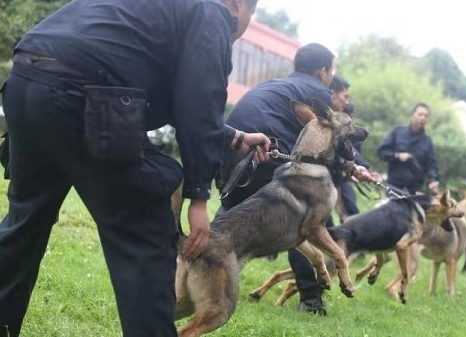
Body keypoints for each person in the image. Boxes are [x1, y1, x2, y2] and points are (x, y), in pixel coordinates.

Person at [0, 1, 271, 336]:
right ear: (239, 5)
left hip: (26, 82)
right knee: (145, 230)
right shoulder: (212, 11)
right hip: (80, 94)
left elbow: (174, 96)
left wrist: (231, 137)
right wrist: (199, 195)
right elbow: (201, 98)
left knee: (24, 226)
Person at [216, 43, 373, 315]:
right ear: (322, 71)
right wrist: (350, 166)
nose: (332, 76)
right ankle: (311, 299)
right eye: (332, 69)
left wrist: (352, 166)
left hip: (231, 150)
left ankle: (202, 255)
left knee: (232, 215)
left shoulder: (281, 85)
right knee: (308, 222)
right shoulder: (316, 93)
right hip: (263, 152)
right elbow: (324, 139)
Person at [329, 75, 380, 222]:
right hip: (331, 176)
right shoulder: (327, 121)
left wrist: (362, 168)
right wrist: (356, 169)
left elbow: (352, 151)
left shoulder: (346, 128)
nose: (346, 100)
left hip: (343, 175)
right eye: (345, 96)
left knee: (351, 213)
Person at [377, 102, 440, 196]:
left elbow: (432, 165)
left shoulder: (427, 142)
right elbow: (381, 151)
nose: (422, 118)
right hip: (394, 187)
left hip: (415, 191)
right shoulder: (397, 132)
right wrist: (397, 156)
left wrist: (433, 180)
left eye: (426, 116)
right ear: (412, 115)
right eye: (420, 114)